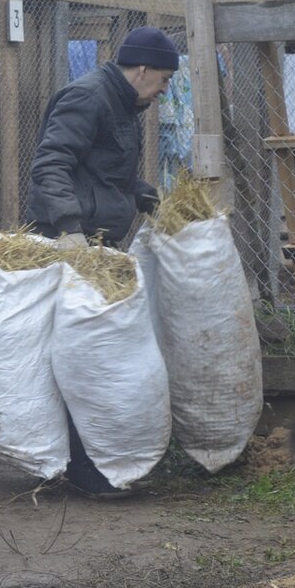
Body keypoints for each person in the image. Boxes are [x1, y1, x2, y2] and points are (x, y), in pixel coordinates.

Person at [26, 25, 179, 498]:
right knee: (84, 357)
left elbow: (106, 173)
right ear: (142, 69)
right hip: (73, 243)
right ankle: (86, 471)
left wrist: (147, 198)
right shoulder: (88, 97)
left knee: (98, 356)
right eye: (164, 78)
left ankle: (95, 463)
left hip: (100, 242)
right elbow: (50, 163)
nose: (165, 89)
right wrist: (69, 230)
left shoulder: (126, 104)